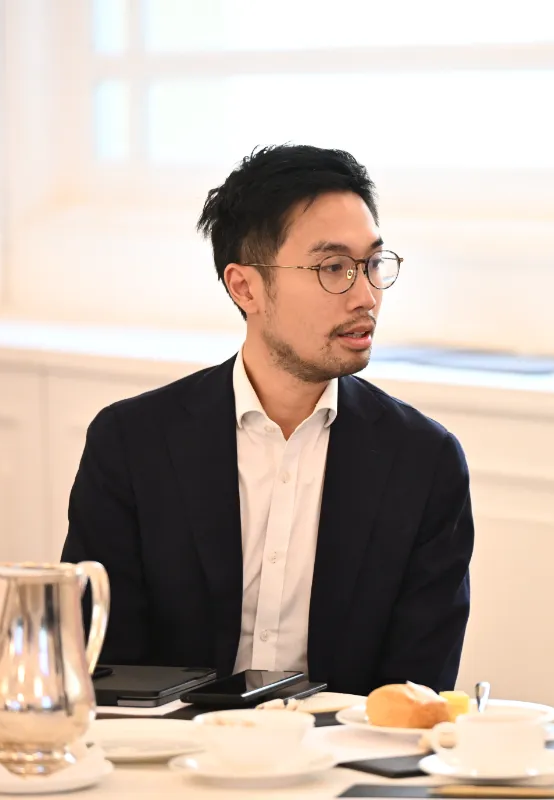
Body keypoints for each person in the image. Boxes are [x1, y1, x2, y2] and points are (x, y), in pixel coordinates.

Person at [62, 145, 474, 694]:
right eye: (333, 268)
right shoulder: (132, 445)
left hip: (339, 747)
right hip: (168, 743)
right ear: (245, 287)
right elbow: (102, 665)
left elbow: (412, 696)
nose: (366, 296)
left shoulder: (424, 462)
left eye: (373, 265)